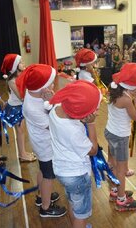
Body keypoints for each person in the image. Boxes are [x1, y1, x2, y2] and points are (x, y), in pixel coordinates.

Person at [48, 80, 100, 227]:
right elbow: (93, 150)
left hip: (61, 170)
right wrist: (91, 124)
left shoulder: (55, 110)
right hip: (77, 175)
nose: (96, 112)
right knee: (81, 213)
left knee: (73, 202)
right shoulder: (73, 131)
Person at [16, 64, 66, 218]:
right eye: (50, 83)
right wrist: (53, 102)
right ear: (42, 88)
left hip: (40, 144)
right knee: (49, 176)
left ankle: (41, 195)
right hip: (45, 146)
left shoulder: (32, 94)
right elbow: (54, 124)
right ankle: (46, 207)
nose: (53, 85)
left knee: (42, 171)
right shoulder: (33, 107)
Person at [105, 63, 136, 212]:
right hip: (119, 136)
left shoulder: (114, 90)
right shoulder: (126, 99)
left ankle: (115, 191)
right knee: (121, 169)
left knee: (116, 166)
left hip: (110, 131)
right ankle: (121, 200)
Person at [1, 54, 36, 162]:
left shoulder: (20, 77)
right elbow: (21, 96)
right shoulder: (12, 81)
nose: (23, 63)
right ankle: (22, 155)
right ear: (15, 66)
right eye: (20, 62)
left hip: (20, 106)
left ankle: (23, 152)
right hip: (15, 109)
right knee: (20, 132)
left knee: (22, 132)